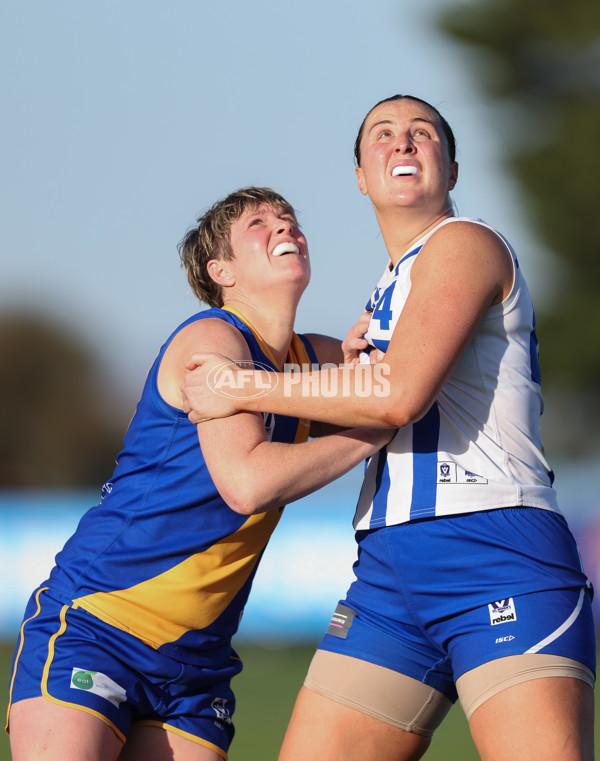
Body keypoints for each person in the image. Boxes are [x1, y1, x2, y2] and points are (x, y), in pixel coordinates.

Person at [180, 98, 596, 761]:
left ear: (452, 168)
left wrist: (243, 384)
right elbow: (373, 390)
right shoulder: (386, 289)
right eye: (383, 135)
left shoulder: (464, 243)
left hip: (495, 552)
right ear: (360, 178)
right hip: (387, 572)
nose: (403, 142)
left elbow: (397, 395)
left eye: (422, 133)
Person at [6, 186, 393, 761]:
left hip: (197, 666)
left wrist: (375, 350)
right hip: (99, 625)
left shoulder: (313, 358)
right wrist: (369, 430)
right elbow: (248, 483)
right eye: (260, 223)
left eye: (289, 219)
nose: (285, 227)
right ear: (222, 270)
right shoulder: (211, 337)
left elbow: (400, 377)